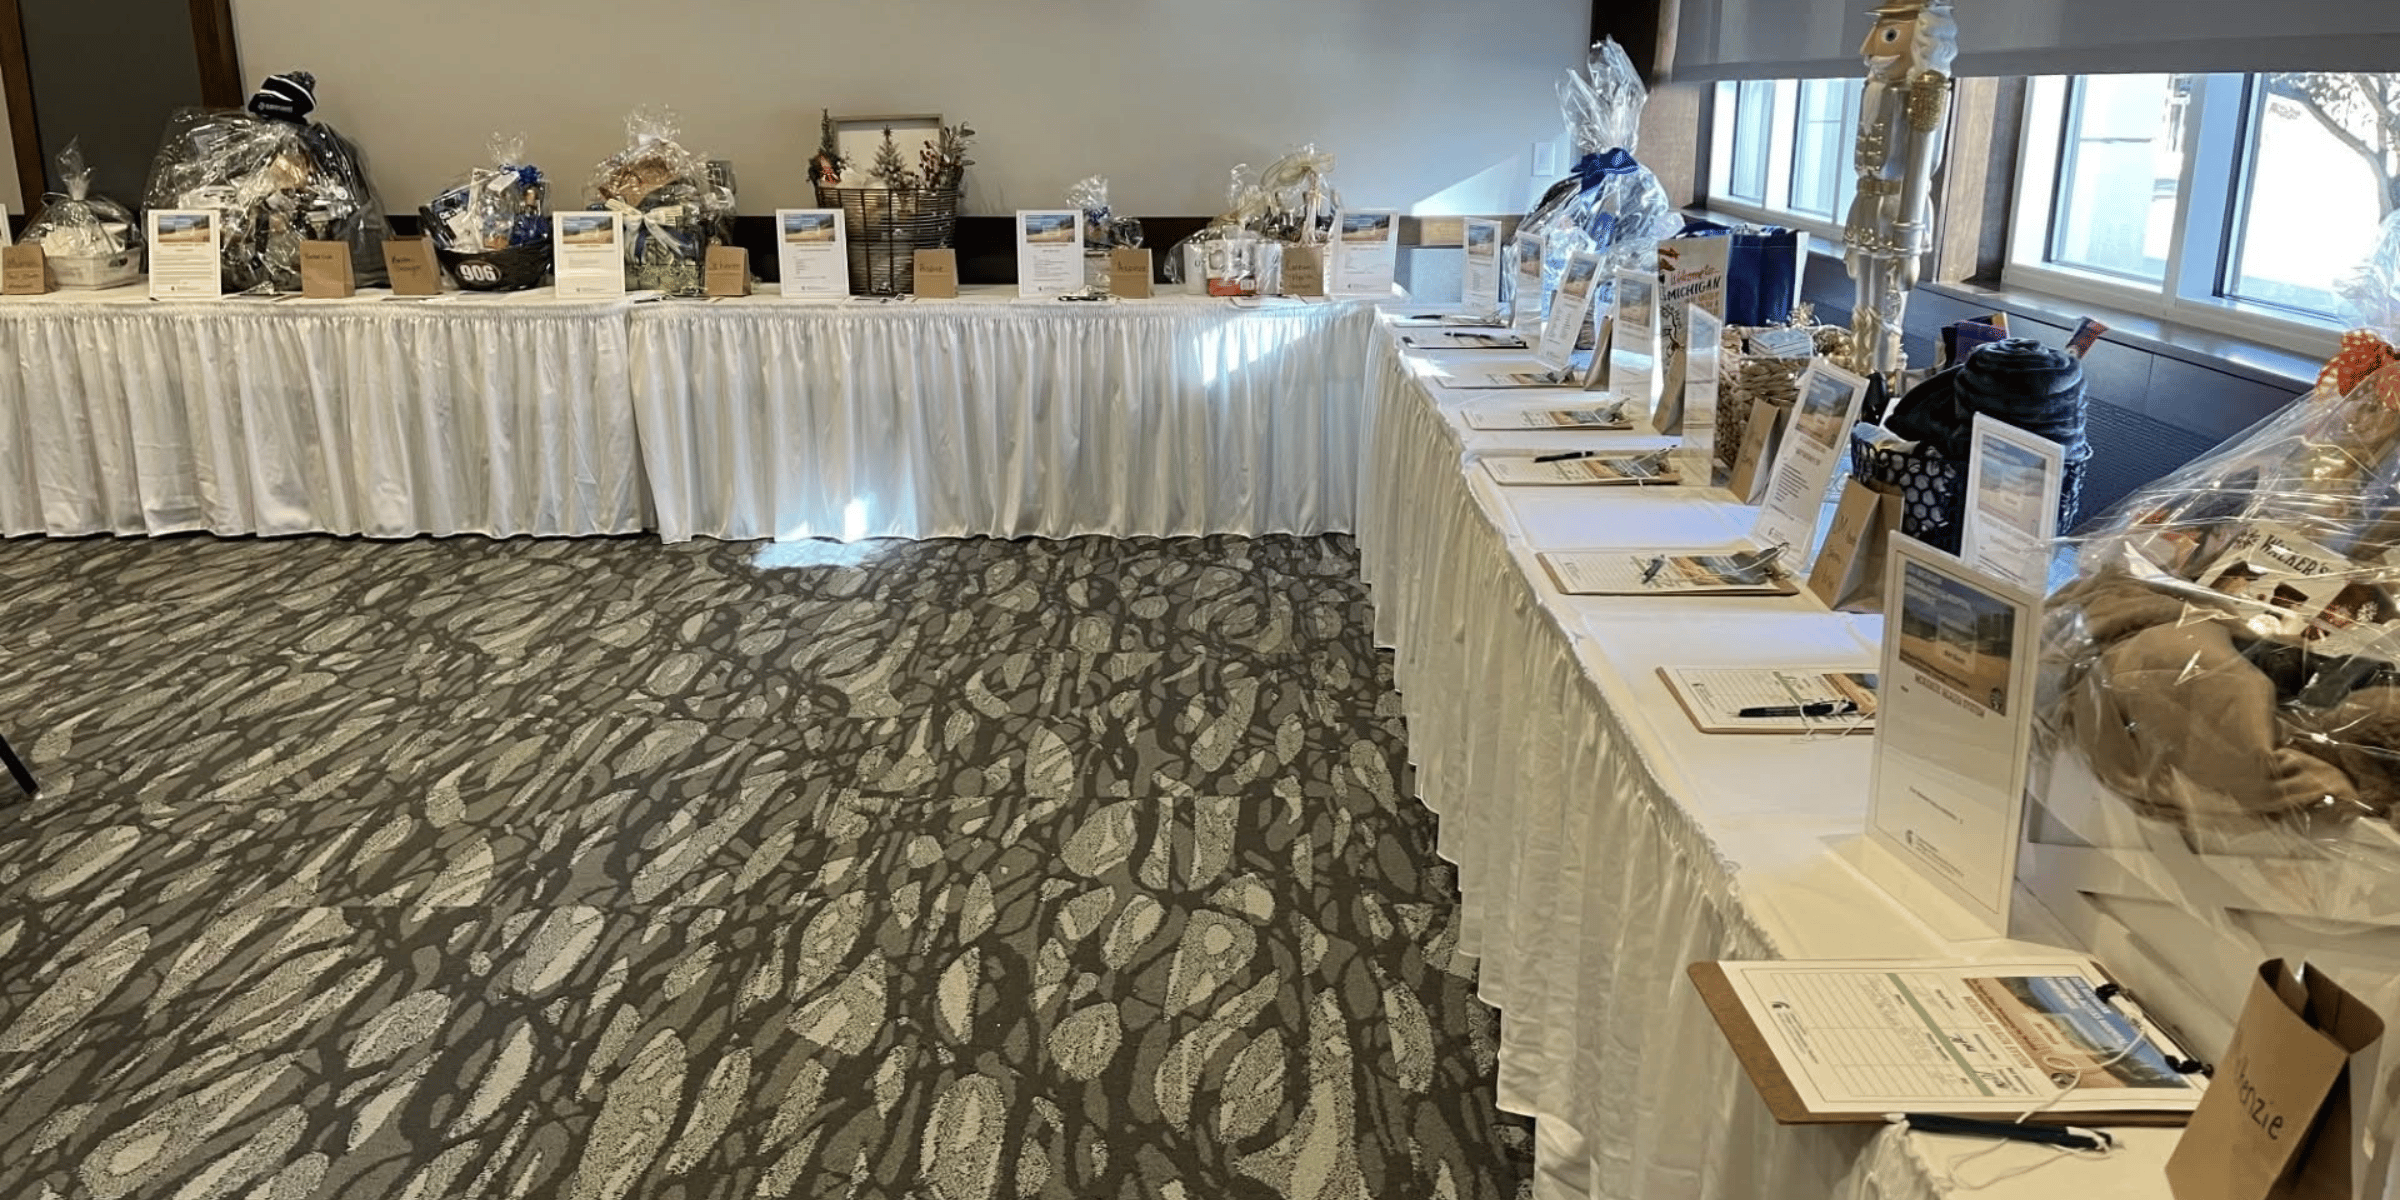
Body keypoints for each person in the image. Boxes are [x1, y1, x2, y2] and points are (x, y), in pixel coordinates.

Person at [1844, 1, 1957, 383]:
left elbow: (1920, 169)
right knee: (1862, 307)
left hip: (1898, 208)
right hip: (1868, 204)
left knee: (1888, 312)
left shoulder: (1926, 91)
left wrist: (1908, 245)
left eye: (1888, 34)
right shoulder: (1875, 89)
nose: (1868, 48)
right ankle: (1857, 376)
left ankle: (1875, 384)